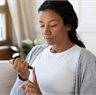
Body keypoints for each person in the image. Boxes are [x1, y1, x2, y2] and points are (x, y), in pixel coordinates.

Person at [10, 0, 96, 95]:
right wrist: (23, 77)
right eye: (42, 25)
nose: (45, 31)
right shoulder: (36, 52)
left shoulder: (86, 60)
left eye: (52, 25)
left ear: (68, 25)